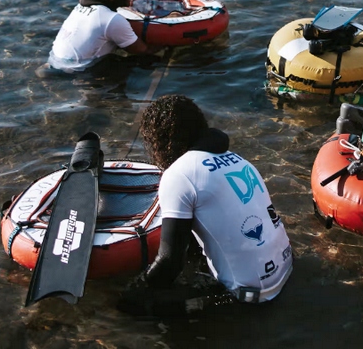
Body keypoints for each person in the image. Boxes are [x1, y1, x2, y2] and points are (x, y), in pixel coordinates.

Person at [117, 94, 293, 316]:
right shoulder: (239, 160)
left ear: (162, 140)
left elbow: (170, 262)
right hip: (285, 270)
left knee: (130, 305)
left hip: (250, 295)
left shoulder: (179, 174)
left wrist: (139, 286)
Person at [38, 0, 159, 76]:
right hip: (79, 70)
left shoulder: (81, 6)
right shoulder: (112, 19)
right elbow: (141, 50)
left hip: (54, 61)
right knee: (150, 61)